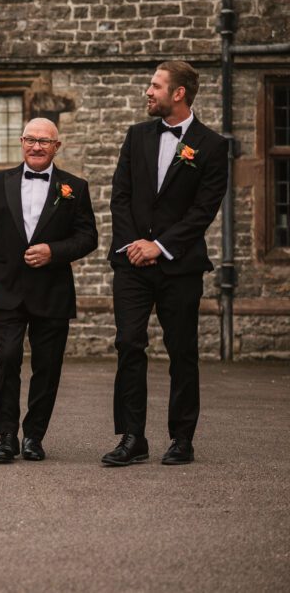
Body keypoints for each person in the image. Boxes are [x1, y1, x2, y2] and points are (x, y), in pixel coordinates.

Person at [104, 61, 228, 466]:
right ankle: (132, 437)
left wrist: (160, 245)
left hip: (180, 266)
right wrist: (133, 246)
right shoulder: (137, 135)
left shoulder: (211, 145)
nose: (148, 91)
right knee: (128, 345)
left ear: (179, 93)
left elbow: (203, 210)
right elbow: (119, 196)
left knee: (182, 351)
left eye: (155, 86)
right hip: (132, 265)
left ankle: (181, 438)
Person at [0, 118, 98, 463]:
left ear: (57, 147)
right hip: (5, 289)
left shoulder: (76, 187)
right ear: (21, 142)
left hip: (52, 292)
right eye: (30, 139)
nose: (36, 146)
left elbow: (88, 238)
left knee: (48, 366)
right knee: (7, 358)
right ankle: (7, 434)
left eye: (44, 141)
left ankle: (35, 436)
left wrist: (53, 251)